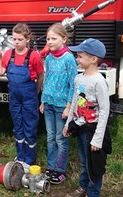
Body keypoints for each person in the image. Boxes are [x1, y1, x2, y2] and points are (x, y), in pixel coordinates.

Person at [63, 38, 111, 197]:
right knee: (84, 162)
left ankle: (93, 192)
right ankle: (83, 187)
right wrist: (69, 123)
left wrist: (98, 139)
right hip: (81, 129)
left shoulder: (99, 82)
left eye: (80, 56)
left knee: (94, 166)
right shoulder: (78, 78)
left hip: (93, 131)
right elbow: (76, 102)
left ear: (93, 59)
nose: (77, 59)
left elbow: (104, 111)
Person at [0, 23, 44, 173]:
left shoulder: (33, 55)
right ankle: (20, 156)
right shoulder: (9, 54)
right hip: (14, 97)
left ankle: (29, 159)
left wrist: (36, 92)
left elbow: (41, 75)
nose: (16, 42)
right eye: (14, 39)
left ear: (27, 39)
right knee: (18, 126)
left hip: (29, 96)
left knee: (29, 126)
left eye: (20, 39)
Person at [39, 22, 78, 184]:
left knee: (60, 138)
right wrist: (42, 101)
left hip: (62, 106)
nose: (49, 42)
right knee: (50, 137)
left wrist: (69, 107)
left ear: (64, 39)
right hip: (48, 104)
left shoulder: (69, 58)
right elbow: (46, 79)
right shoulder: (48, 58)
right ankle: (51, 167)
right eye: (48, 39)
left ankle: (60, 170)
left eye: (53, 38)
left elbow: (73, 84)